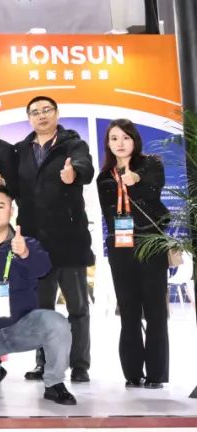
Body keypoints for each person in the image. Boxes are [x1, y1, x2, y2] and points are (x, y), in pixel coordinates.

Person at [0, 185, 77, 406]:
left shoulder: (26, 244)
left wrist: (25, 253)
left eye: (1, 206)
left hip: (22, 326)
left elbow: (43, 269)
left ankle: (54, 383)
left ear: (11, 210)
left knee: (57, 323)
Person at [14, 96, 94, 383]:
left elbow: (86, 168)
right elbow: (11, 185)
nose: (41, 115)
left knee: (78, 309)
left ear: (57, 113)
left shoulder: (73, 144)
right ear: (29, 119)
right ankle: (44, 363)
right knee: (41, 310)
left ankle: (80, 364)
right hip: (35, 244)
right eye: (35, 112)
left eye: (46, 110)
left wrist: (75, 173)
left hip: (69, 240)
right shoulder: (20, 150)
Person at [96, 119, 170, 388]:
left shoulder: (151, 164)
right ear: (108, 144)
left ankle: (156, 375)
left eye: (126, 137)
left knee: (155, 312)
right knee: (128, 312)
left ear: (135, 140)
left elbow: (154, 188)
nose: (120, 143)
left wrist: (135, 179)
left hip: (150, 243)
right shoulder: (104, 177)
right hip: (121, 245)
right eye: (114, 138)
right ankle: (132, 373)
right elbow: (109, 214)